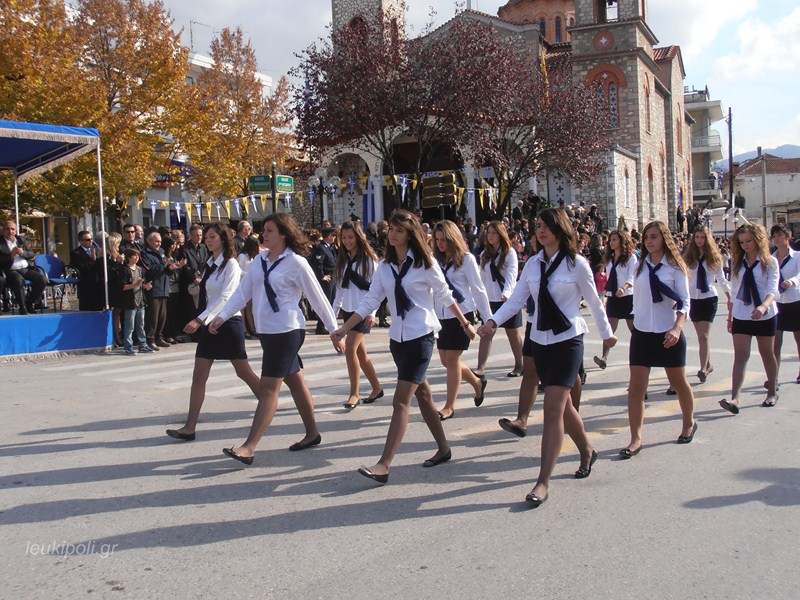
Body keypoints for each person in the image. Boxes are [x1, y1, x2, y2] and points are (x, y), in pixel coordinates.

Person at [478, 208, 615, 507]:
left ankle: (543, 481)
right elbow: (516, 300)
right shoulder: (533, 265)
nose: (541, 231)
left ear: (560, 229)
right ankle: (588, 450)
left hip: (568, 342)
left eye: (547, 226)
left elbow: (593, 301)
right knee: (565, 408)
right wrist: (492, 323)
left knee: (553, 408)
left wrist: (607, 335)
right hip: (540, 339)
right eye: (538, 225)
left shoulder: (576, 264)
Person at [333, 210, 476, 485]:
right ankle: (444, 449)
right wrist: (343, 327)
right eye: (391, 229)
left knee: (400, 401)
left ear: (410, 234)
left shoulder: (426, 263)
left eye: (399, 230)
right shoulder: (385, 266)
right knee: (423, 395)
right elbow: (369, 301)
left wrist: (465, 323)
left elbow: (446, 295)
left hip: (421, 336)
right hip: (397, 339)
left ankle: (384, 464)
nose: (393, 234)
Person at [209, 213, 343, 465]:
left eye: (269, 230)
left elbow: (318, 298)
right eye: (264, 230)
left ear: (283, 234)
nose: (264, 234)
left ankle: (249, 447)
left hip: (288, 331)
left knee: (269, 388)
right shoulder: (259, 261)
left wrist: (334, 330)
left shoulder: (296, 263)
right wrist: (222, 315)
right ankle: (312, 433)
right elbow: (242, 292)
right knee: (295, 381)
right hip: (267, 332)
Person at [166, 224, 264, 441]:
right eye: (206, 237)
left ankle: (268, 401)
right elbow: (210, 297)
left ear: (223, 239)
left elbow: (228, 297)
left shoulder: (231, 265)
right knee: (199, 375)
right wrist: (204, 319)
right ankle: (189, 427)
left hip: (228, 323)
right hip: (210, 324)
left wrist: (200, 319)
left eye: (212, 236)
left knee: (243, 371)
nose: (207, 240)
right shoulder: (210, 264)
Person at [621, 221, 696, 460]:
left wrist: (677, 328)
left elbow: (684, 302)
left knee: (679, 383)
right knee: (636, 388)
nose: (649, 241)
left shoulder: (675, 267)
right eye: (646, 238)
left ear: (664, 238)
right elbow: (638, 299)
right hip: (642, 333)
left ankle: (689, 423)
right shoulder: (640, 266)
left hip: (667, 333)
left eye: (654, 237)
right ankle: (636, 438)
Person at [431, 220, 492, 420]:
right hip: (441, 315)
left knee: (452, 359)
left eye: (444, 240)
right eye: (437, 240)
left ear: (453, 238)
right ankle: (476, 382)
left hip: (461, 314)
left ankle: (449, 406)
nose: (440, 244)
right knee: (445, 360)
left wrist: (488, 319)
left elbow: (478, 289)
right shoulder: (435, 261)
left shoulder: (467, 259)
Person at [719, 224, 780, 413]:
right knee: (741, 355)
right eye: (742, 242)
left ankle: (771, 391)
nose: (745, 245)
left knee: (767, 354)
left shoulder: (770, 262)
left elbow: (772, 290)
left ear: (758, 240)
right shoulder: (738, 262)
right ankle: (735, 399)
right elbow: (735, 292)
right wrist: (730, 317)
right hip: (742, 314)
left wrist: (763, 306)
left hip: (765, 314)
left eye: (749, 241)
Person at [331, 220, 384, 409]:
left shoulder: (369, 259)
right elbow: (340, 290)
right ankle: (377, 388)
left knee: (350, 349)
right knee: (361, 355)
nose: (347, 241)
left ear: (358, 237)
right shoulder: (344, 260)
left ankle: (354, 393)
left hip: (363, 311)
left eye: (350, 237)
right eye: (344, 238)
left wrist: (373, 314)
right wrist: (333, 314)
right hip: (348, 310)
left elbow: (377, 289)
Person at [473, 221, 524, 379]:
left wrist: (507, 293)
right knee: (487, 332)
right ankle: (480, 368)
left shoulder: (509, 253)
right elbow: (481, 278)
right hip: (491, 299)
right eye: (488, 233)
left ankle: (520, 364)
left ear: (501, 235)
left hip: (507, 299)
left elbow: (512, 275)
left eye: (494, 233)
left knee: (512, 333)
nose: (490, 236)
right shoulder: (484, 255)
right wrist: (479, 299)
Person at [682, 225, 731, 383]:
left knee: (704, 336)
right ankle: (708, 363)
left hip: (709, 298)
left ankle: (702, 368)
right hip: (693, 298)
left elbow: (721, 279)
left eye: (702, 237)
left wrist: (730, 297)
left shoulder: (714, 257)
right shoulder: (689, 256)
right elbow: (684, 277)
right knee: (700, 336)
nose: (699, 240)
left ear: (707, 239)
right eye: (697, 237)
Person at [593, 230, 638, 369]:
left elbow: (632, 277)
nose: (612, 242)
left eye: (615, 240)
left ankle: (639, 356)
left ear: (622, 241)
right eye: (611, 240)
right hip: (613, 296)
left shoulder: (631, 258)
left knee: (634, 329)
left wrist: (624, 288)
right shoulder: (609, 258)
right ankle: (604, 357)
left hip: (627, 296)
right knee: (609, 328)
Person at [771, 224, 800, 385]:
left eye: (780, 235)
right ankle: (774, 377)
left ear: (788, 237)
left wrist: (793, 281)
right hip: (778, 302)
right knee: (776, 342)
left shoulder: (797, 256)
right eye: (774, 236)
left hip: (795, 300)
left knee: (798, 339)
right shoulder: (772, 258)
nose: (777, 238)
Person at [0, 220, 46, 314]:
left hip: (25, 268)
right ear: (3, 230)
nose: (10, 231)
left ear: (16, 231)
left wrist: (22, 253)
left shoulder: (21, 240)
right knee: (18, 280)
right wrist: (11, 255)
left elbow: (32, 253)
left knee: (42, 279)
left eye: (13, 229)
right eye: (7, 229)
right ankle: (22, 307)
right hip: (10, 270)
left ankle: (30, 303)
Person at [120, 248, 153, 354]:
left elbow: (141, 284)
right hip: (130, 301)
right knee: (129, 326)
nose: (137, 258)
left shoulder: (140, 269)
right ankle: (128, 345)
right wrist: (135, 285)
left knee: (141, 325)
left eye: (138, 256)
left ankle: (142, 344)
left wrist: (145, 286)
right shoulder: (125, 270)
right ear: (129, 257)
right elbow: (123, 287)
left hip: (140, 300)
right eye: (135, 256)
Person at [309, 227, 337, 334]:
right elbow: (317, 264)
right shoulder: (321, 248)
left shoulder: (329, 247)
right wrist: (322, 276)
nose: (334, 237)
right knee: (326, 302)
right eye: (333, 235)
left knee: (332, 302)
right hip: (327, 280)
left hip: (333, 277)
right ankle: (320, 326)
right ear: (329, 236)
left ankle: (327, 324)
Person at [70, 230, 103, 311]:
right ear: (81, 241)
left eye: (91, 239)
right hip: (86, 283)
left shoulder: (96, 250)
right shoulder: (76, 253)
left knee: (98, 308)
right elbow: (81, 268)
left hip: (97, 282)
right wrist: (92, 260)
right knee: (87, 308)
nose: (90, 241)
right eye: (88, 240)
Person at [237, 234, 261, 338]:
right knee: (242, 308)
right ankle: (244, 330)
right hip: (242, 284)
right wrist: (248, 274)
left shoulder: (252, 257)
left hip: (251, 285)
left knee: (250, 308)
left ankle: (252, 328)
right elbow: (238, 270)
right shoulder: (242, 256)